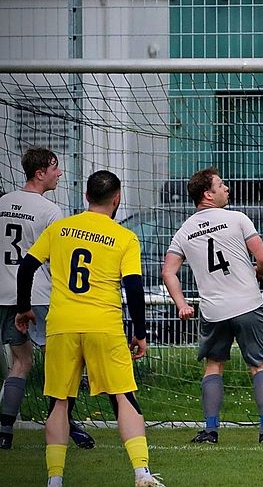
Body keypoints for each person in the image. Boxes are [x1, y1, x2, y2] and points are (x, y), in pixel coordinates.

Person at [15, 170, 163, 487]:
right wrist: (140, 332)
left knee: (59, 401)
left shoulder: (60, 229)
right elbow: (134, 288)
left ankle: (55, 479)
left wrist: (24, 308)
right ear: (117, 199)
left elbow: (26, 267)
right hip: (103, 325)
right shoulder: (124, 237)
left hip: (62, 325)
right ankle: (141, 472)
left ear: (86, 197)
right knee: (124, 397)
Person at [161, 167, 263, 444]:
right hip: (248, 304)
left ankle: (211, 431)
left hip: (213, 310)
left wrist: (181, 304)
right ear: (207, 194)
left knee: (214, 366)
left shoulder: (184, 230)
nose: (227, 189)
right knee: (259, 366)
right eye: (221, 185)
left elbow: (168, 272)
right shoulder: (237, 218)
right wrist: (258, 273)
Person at [0, 148, 95, 450]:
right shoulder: (49, 210)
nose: (60, 173)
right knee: (62, 362)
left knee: (22, 361)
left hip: (2, 294)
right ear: (40, 173)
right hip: (36, 295)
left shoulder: (2, 203)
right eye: (55, 168)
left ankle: (4, 431)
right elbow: (58, 260)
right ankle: (67, 423)